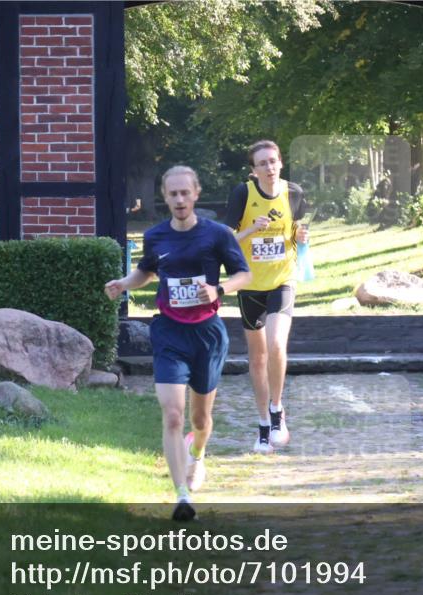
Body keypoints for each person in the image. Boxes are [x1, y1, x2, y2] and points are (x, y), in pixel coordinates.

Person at [105, 166, 251, 521]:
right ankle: (181, 496)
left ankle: (197, 454)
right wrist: (124, 283)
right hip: (170, 332)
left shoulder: (217, 234)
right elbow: (147, 271)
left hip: (207, 334)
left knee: (200, 419)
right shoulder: (156, 236)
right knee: (172, 414)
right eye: (172, 194)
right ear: (165, 197)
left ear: (196, 194)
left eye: (185, 193)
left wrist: (219, 290)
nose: (179, 200)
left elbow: (244, 275)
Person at [224, 140, 309, 453]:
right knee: (257, 358)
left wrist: (301, 236)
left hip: (282, 280)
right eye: (263, 163)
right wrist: (251, 230)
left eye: (274, 161)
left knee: (276, 344)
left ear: (281, 163)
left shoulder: (294, 193)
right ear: (253, 170)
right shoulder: (242, 194)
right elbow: (225, 239)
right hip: (249, 284)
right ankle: (262, 424)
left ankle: (277, 410)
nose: (270, 168)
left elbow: (298, 232)